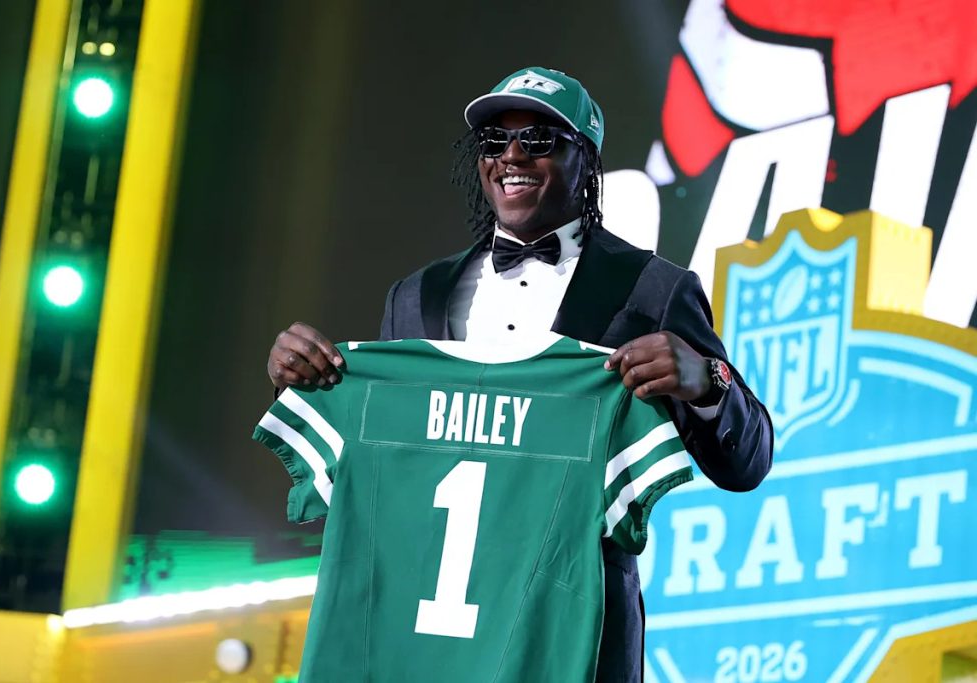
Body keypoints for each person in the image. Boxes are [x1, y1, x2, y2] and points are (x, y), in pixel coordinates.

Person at [266, 66, 773, 683]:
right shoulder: (417, 296)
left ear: (585, 161)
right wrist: (305, 378)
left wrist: (708, 380)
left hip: (570, 636)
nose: (511, 156)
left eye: (538, 140)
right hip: (425, 628)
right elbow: (381, 454)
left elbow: (748, 464)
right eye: (494, 141)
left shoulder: (654, 289)